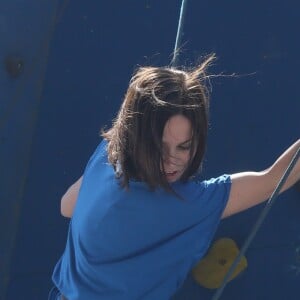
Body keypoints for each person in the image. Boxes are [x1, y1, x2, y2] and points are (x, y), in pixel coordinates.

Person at [49, 55, 300, 300]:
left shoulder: (109, 152)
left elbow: (67, 206)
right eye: (159, 147)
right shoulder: (184, 206)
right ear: (138, 136)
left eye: (184, 146)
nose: (172, 161)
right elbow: (275, 179)